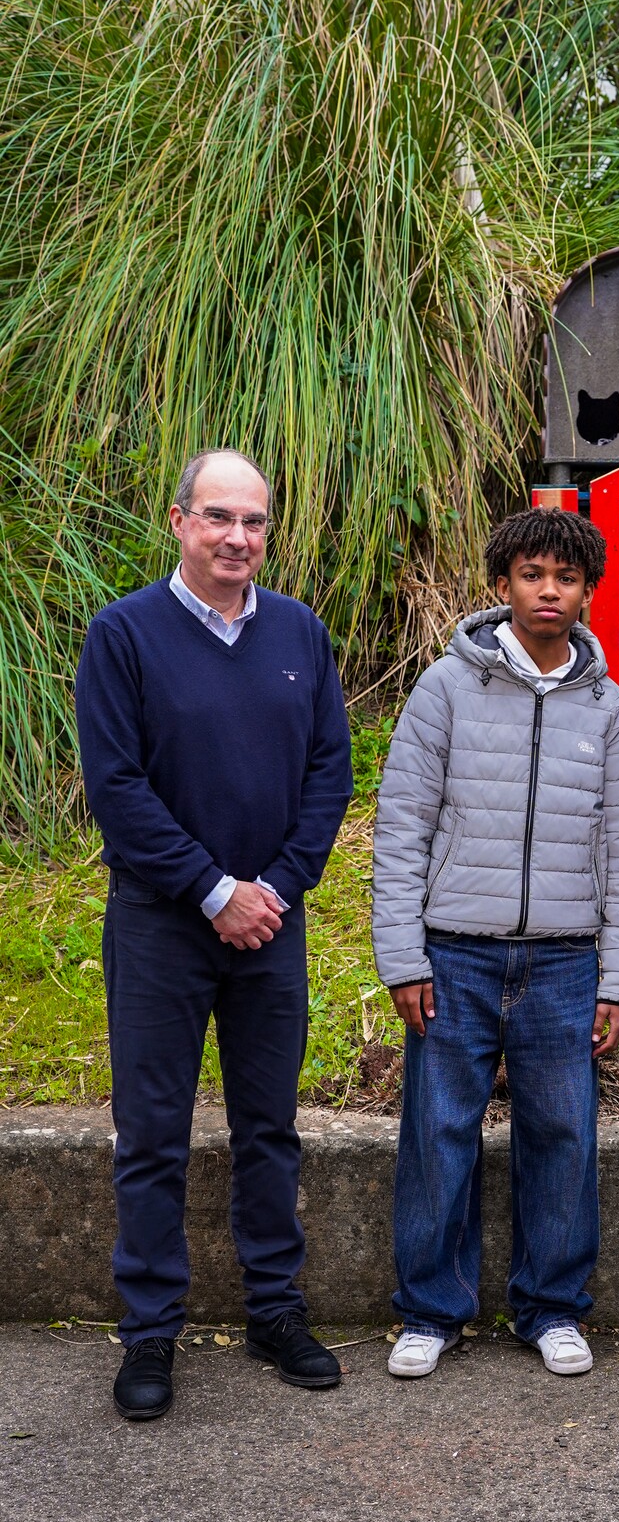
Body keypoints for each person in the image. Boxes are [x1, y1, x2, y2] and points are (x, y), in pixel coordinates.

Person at [75, 448, 353, 1421]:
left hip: (270, 924)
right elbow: (116, 788)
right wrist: (211, 889)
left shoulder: (298, 634)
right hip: (160, 924)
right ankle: (150, 1330)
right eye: (218, 518)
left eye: (254, 523)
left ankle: (275, 1309)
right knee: (151, 1135)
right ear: (179, 519)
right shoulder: (124, 637)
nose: (238, 538)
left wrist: (271, 888)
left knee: (269, 1129)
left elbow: (330, 772)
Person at [372, 507, 619, 1379]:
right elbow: (402, 826)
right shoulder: (445, 689)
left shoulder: (606, 709)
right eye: (532, 575)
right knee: (437, 1131)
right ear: (503, 586)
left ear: (586, 592)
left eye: (566, 578)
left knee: (563, 1134)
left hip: (568, 960)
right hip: (455, 951)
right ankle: (431, 1309)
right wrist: (404, 957)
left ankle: (553, 1305)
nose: (549, 591)